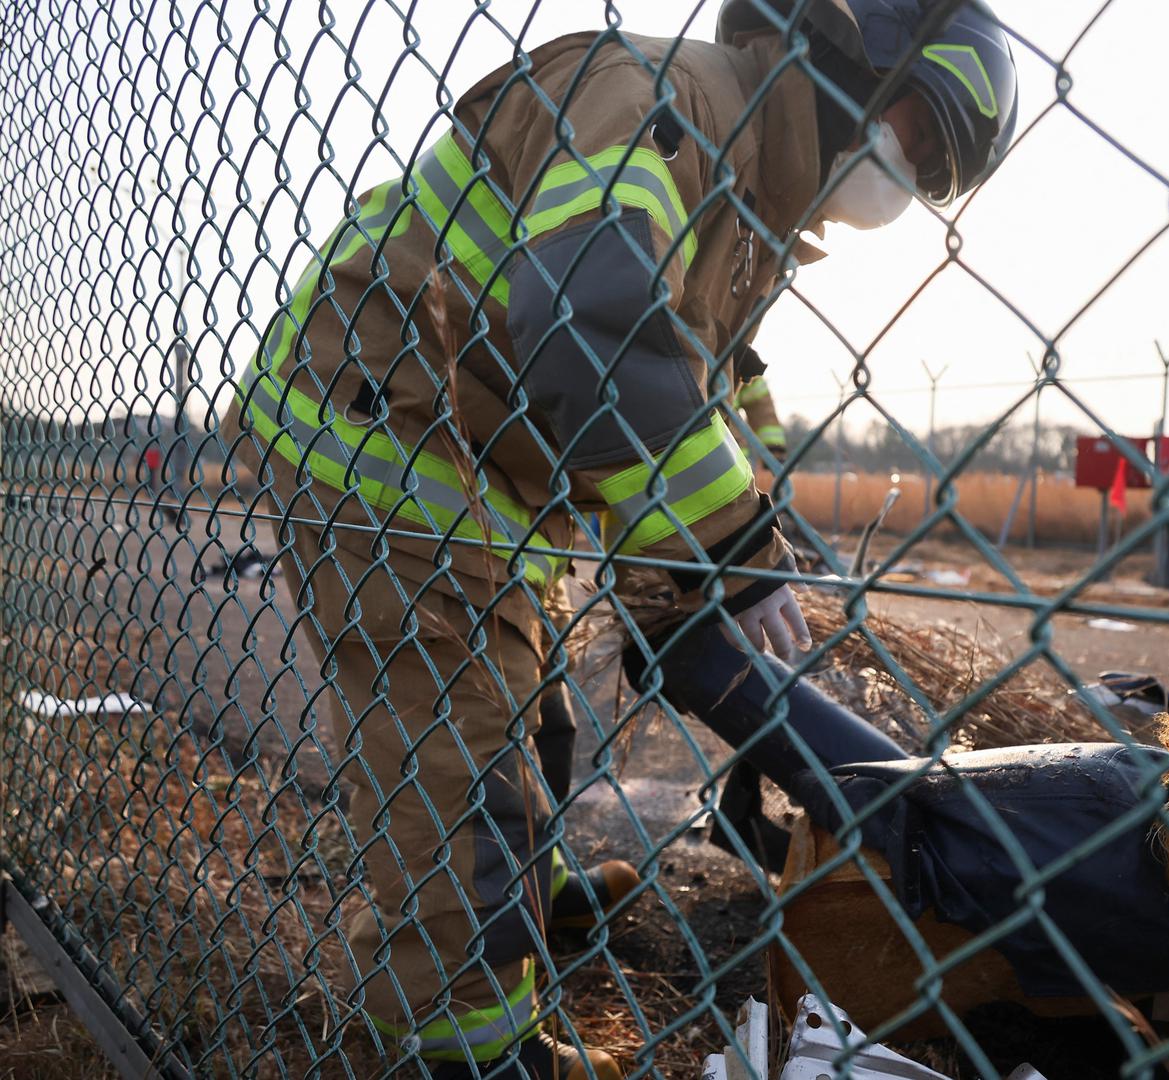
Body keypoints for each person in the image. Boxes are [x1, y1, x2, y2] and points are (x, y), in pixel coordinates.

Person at [219, 0, 1016, 1075]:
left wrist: (758, 530)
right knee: (460, 765)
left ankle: (528, 895)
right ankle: (460, 1047)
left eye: (925, 164)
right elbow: (593, 323)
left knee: (529, 712)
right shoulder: (667, 104)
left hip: (467, 461)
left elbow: (713, 386)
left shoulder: (751, 216)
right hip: (373, 431)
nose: (900, 169)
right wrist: (732, 553)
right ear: (840, 47)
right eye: (912, 125)